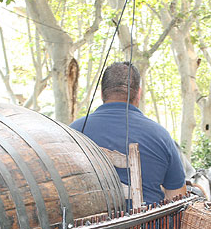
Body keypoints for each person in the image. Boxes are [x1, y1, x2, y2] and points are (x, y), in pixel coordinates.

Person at [70, 61, 186, 205]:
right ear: (139, 93)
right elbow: (177, 199)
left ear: (102, 93)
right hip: (148, 219)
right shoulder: (161, 136)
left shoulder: (73, 133)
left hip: (86, 219)